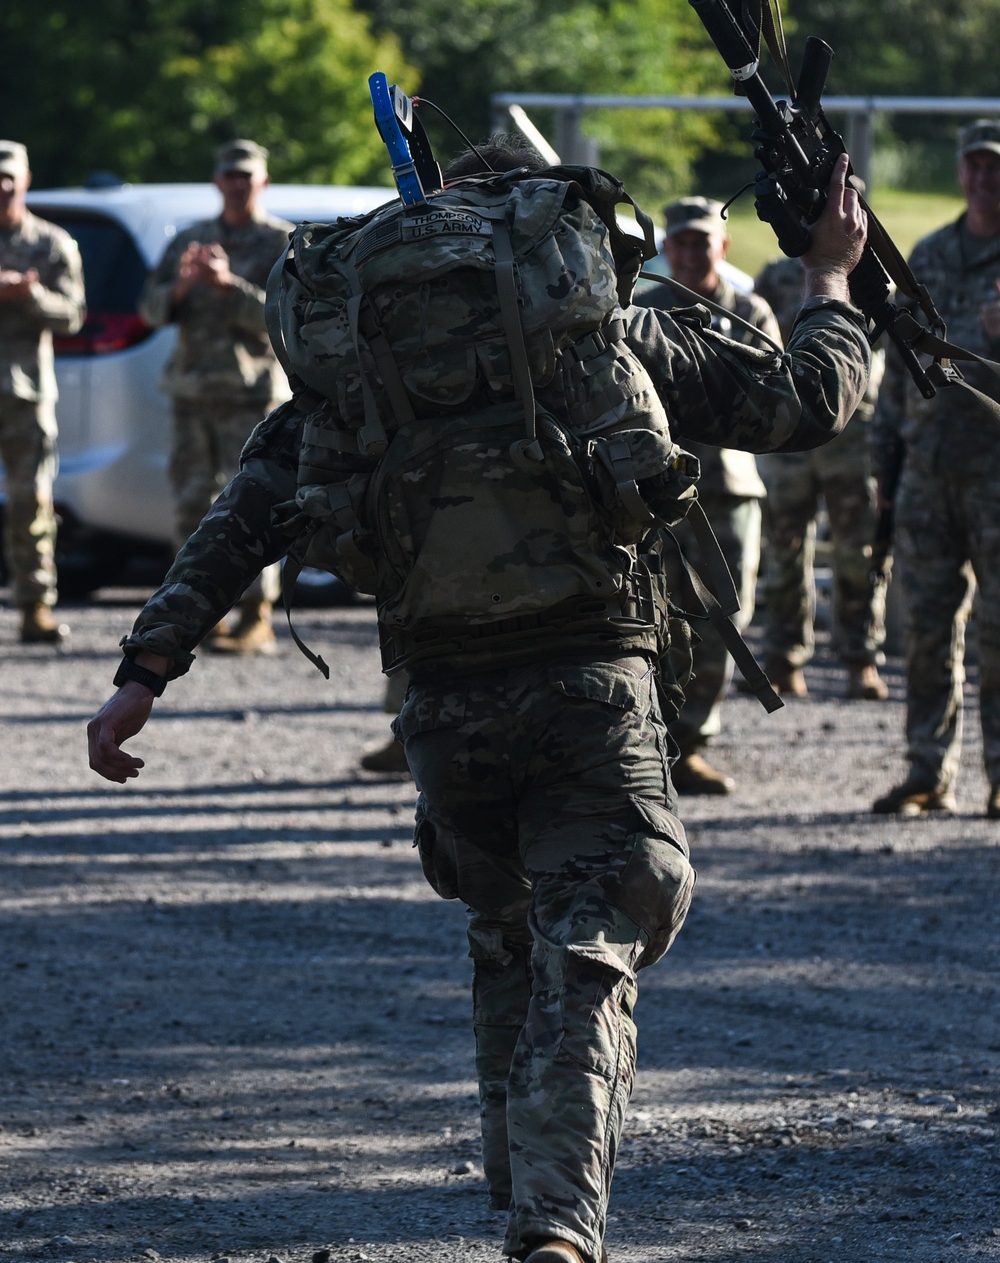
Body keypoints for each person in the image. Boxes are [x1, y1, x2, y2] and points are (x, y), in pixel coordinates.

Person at [88, 150, 870, 1263]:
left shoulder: (364, 355)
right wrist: (830, 276)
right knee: (594, 937)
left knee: (505, 925)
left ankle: (518, 1179)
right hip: (588, 682)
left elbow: (246, 510)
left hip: (440, 698)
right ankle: (554, 1223)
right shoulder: (598, 331)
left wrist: (142, 673)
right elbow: (807, 403)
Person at [872, 119, 1000, 820]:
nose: (984, 178)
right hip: (927, 473)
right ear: (960, 173)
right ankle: (927, 770)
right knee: (925, 630)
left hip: (996, 476)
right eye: (975, 166)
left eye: (995, 167)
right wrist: (884, 474)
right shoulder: (927, 255)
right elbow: (897, 375)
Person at [640, 197, 779, 794]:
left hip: (727, 488)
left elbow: (772, 390)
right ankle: (649, 743)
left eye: (703, 242)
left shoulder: (748, 311)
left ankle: (692, 744)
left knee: (722, 618)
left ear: (722, 248)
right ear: (666, 249)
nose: (692, 252)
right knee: (651, 618)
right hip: (657, 494)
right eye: (682, 243)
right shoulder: (641, 314)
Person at [138, 139, 292, 655]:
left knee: (254, 507)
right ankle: (193, 616)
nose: (237, 183)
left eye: (247, 176)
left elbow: (286, 316)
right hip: (191, 392)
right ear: (217, 180)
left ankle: (256, 616)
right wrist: (182, 287)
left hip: (249, 397)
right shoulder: (191, 239)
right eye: (229, 175)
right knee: (190, 504)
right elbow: (150, 310)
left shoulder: (280, 242)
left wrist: (230, 286)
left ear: (263, 182)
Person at [754, 249, 888, 699]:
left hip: (851, 432)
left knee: (859, 549)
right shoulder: (774, 277)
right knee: (784, 546)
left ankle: (860, 657)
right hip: (790, 431)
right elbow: (761, 339)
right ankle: (784, 656)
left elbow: (887, 335)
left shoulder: (872, 271)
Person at [0, 140, 85, 641]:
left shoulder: (52, 244)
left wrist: (29, 294)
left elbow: (73, 314)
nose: (3, 186)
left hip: (25, 391)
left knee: (31, 500)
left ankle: (35, 606)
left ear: (26, 180)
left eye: (10, 177)